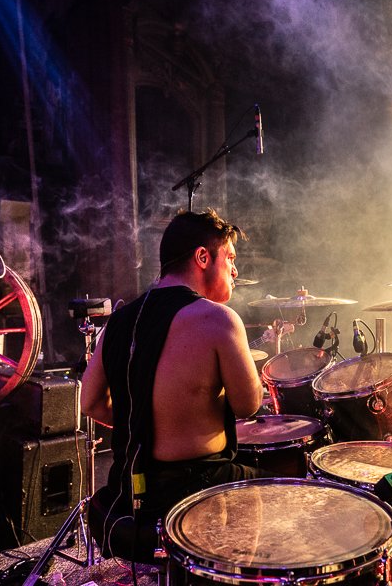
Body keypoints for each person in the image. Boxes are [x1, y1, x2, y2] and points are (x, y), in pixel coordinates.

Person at [80, 208, 265, 562]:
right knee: (300, 488)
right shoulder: (219, 319)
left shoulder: (118, 321)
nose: (235, 271)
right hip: (197, 493)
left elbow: (90, 403)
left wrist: (147, 420)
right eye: (230, 258)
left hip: (127, 495)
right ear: (203, 257)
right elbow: (248, 406)